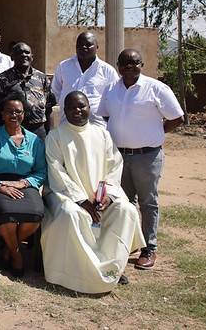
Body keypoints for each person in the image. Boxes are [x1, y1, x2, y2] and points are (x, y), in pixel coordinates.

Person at [41, 91, 144, 294]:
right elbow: (56, 171)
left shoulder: (102, 134)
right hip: (65, 196)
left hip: (100, 197)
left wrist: (108, 196)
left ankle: (112, 266)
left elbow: (114, 166)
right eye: (71, 107)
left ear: (90, 108)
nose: (77, 111)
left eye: (82, 106)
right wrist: (81, 200)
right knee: (71, 214)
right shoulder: (56, 136)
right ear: (64, 111)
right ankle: (74, 271)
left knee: (126, 210)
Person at [98, 49, 184, 271]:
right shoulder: (110, 89)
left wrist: (157, 133)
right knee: (122, 202)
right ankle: (128, 244)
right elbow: (107, 116)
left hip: (147, 156)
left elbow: (177, 117)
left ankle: (149, 248)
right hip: (119, 157)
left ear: (142, 64)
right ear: (117, 66)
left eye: (133, 63)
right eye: (124, 63)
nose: (129, 67)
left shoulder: (156, 88)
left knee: (147, 202)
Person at [0, 93, 46, 277]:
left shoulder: (34, 140)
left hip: (24, 184)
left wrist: (24, 183)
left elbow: (41, 171)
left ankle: (8, 249)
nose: (14, 115)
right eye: (9, 111)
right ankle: (16, 254)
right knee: (6, 213)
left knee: (35, 214)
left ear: (24, 114)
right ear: (2, 114)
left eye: (18, 111)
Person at [52, 31, 118, 128]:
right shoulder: (64, 66)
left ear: (97, 47)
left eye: (88, 45)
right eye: (80, 45)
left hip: (97, 126)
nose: (83, 47)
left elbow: (114, 98)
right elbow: (55, 92)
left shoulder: (107, 70)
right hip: (67, 126)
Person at [0, 42, 56, 140]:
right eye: (19, 52)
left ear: (32, 56)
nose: (24, 55)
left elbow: (49, 107)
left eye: (27, 52)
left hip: (38, 131)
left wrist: (51, 132)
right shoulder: (3, 79)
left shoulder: (42, 78)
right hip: (11, 131)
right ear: (12, 57)